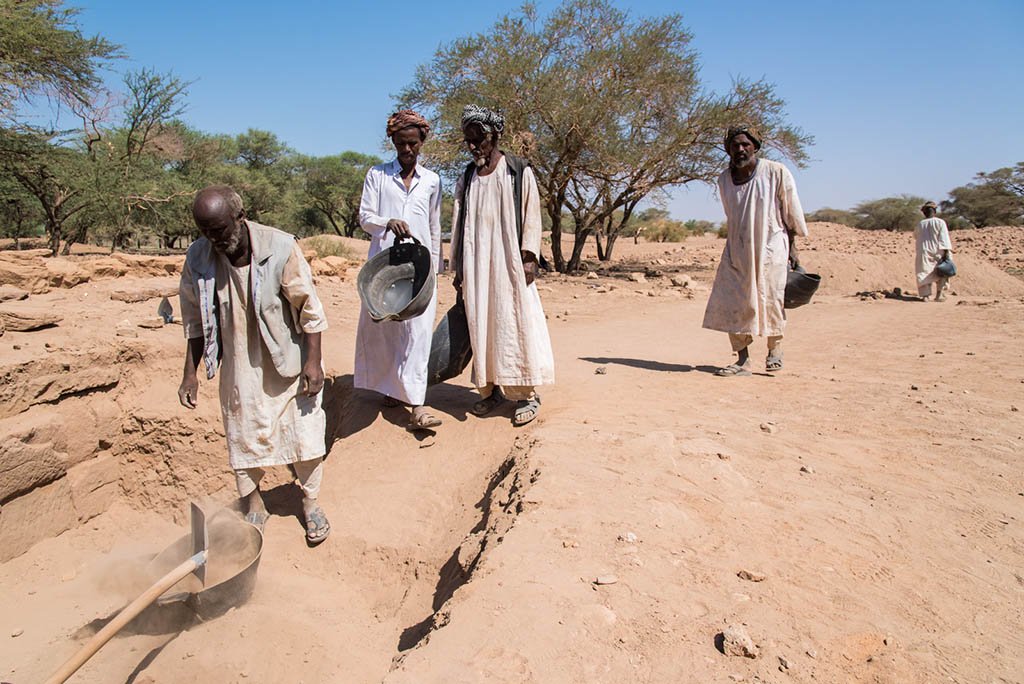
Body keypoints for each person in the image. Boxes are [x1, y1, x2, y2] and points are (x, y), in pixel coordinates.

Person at [177, 185, 331, 544]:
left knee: (304, 433)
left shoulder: (280, 247)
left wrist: (314, 362)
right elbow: (194, 321)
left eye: (220, 230)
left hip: (287, 358)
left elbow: (310, 309)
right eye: (205, 231)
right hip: (238, 363)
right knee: (242, 433)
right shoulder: (198, 256)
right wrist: (189, 374)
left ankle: (311, 503)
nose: (213, 239)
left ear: (240, 217)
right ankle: (254, 505)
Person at [450, 104, 554, 425]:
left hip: (510, 262)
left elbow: (532, 215)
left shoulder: (517, 171)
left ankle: (525, 394)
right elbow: (458, 224)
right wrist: (458, 268)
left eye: (478, 139)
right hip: (476, 265)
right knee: (482, 323)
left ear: (494, 136)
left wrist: (529, 257)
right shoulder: (467, 177)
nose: (473, 146)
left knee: (513, 322)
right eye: (468, 140)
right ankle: (490, 391)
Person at [355, 110, 444, 430]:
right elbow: (365, 217)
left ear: (422, 142)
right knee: (387, 329)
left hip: (421, 267)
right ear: (392, 142)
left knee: (418, 332)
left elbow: (434, 225)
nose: (407, 150)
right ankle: (391, 388)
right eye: (401, 144)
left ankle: (418, 406)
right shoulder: (377, 175)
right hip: (385, 267)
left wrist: (436, 266)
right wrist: (386, 222)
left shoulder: (432, 180)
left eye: (413, 144)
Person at [703, 125, 808, 376]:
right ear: (728, 150)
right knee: (733, 301)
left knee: (772, 298)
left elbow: (791, 212)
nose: (740, 149)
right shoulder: (724, 179)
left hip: (771, 248)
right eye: (735, 145)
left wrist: (793, 250)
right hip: (737, 251)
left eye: (745, 144)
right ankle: (742, 360)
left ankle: (775, 349)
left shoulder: (775, 172)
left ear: (755, 147)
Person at [915, 201, 953, 302]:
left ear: (924, 212)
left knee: (923, 272)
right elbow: (944, 238)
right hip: (938, 251)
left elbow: (915, 235)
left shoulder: (920, 224)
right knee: (941, 272)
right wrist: (946, 253)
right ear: (935, 211)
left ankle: (925, 296)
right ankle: (939, 295)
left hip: (924, 251)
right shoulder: (940, 222)